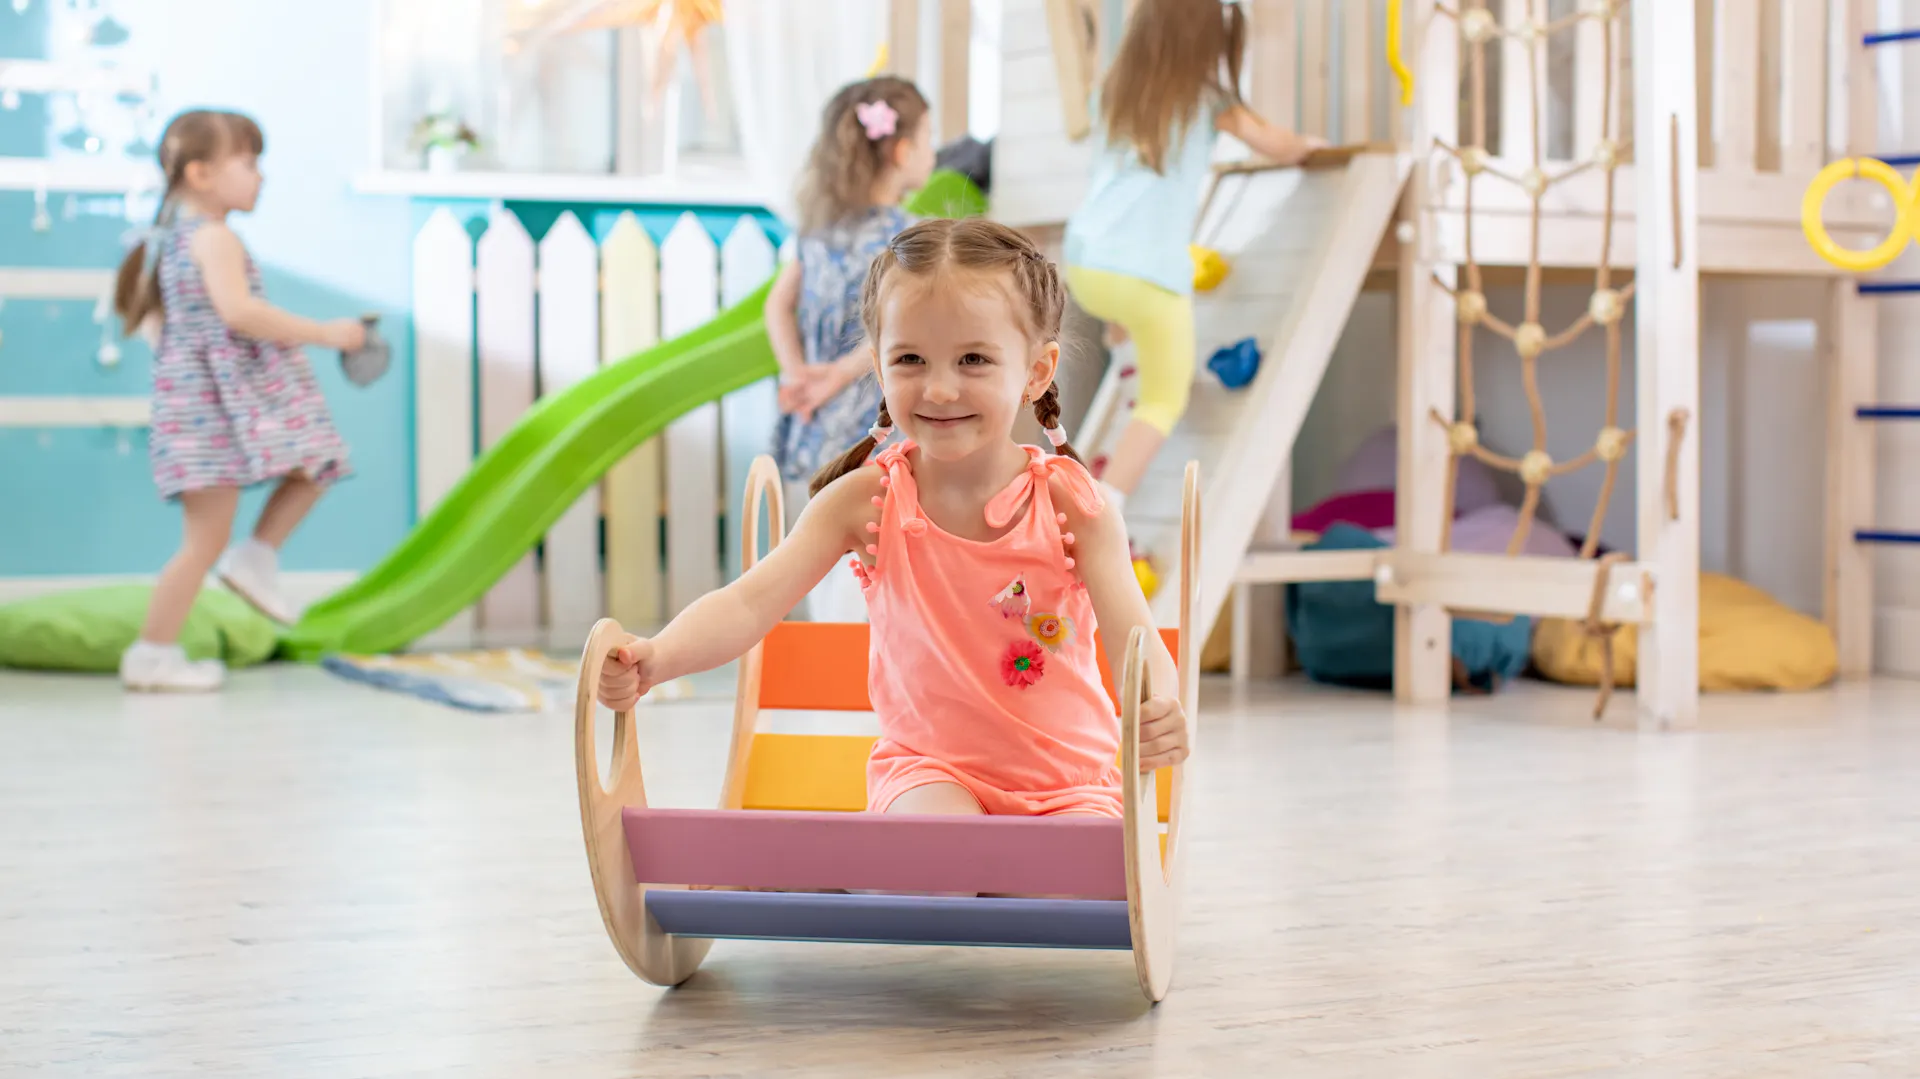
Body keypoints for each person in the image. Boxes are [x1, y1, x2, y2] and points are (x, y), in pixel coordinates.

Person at [600, 218, 1189, 818]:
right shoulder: (865, 500)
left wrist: (1160, 706)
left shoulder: (1074, 506)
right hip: (929, 774)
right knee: (937, 859)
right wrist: (659, 657)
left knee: (1066, 886)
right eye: (910, 358)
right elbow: (751, 602)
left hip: (1071, 784)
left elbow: (1135, 641)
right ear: (879, 369)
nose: (938, 388)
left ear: (1037, 372)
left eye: (973, 360)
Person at [111, 109, 364, 691]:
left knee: (309, 465)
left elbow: (168, 328)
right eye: (249, 164)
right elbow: (240, 312)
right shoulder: (214, 236)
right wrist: (326, 333)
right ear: (200, 174)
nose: (261, 177)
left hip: (203, 410)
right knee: (305, 468)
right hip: (215, 413)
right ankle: (155, 649)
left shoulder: (174, 240)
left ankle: (244, 567)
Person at [1063, 0, 1325, 514]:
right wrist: (1311, 144)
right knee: (1166, 399)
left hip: (1087, 260)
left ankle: (1125, 359)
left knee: (1130, 328)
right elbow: (1278, 144)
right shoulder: (1210, 99)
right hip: (1145, 272)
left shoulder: (1114, 93)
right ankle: (1104, 507)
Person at [764, 75, 934, 622]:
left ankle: (831, 676)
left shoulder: (816, 231)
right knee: (877, 548)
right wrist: (837, 373)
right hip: (873, 417)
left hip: (817, 417)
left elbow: (777, 307)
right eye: (929, 138)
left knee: (822, 545)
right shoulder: (907, 239)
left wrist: (800, 376)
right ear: (903, 150)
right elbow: (902, 328)